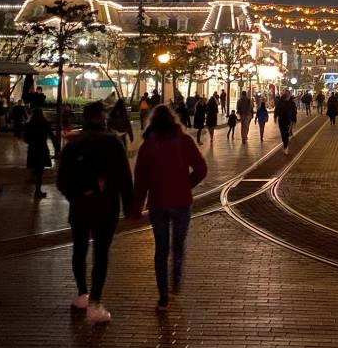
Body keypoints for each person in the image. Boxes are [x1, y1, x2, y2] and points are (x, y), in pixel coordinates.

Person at [57, 101, 134, 324]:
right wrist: (129, 206)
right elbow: (124, 177)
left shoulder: (73, 144)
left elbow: (62, 181)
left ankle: (82, 293)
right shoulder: (113, 141)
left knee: (79, 249)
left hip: (80, 206)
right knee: (101, 254)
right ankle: (95, 302)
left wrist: (78, 194)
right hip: (106, 206)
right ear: (103, 117)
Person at [132, 105, 208, 312]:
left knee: (161, 250)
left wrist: (136, 208)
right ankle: (176, 280)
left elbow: (140, 181)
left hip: (158, 203)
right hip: (181, 201)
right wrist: (186, 183)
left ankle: (163, 297)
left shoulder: (148, 145)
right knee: (178, 245)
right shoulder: (184, 141)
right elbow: (202, 169)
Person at [25, 107, 53, 199]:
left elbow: (26, 138)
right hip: (42, 148)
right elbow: (52, 136)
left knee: (34, 167)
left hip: (32, 148)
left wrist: (31, 142)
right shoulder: (45, 123)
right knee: (40, 171)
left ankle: (34, 184)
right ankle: (38, 190)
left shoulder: (29, 124)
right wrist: (57, 148)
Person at [273, 90, 296, 155]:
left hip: (287, 120)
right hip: (283, 120)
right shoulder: (281, 102)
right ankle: (285, 145)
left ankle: (286, 145)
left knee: (285, 133)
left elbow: (294, 111)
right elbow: (277, 109)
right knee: (284, 133)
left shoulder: (291, 102)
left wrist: (294, 120)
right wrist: (275, 117)